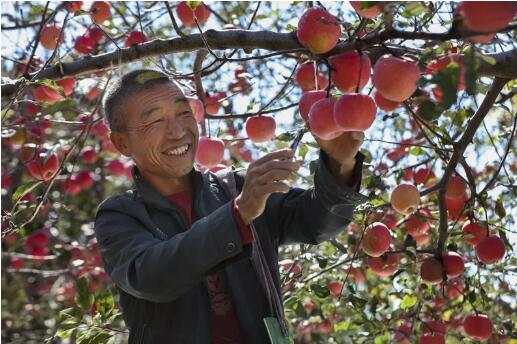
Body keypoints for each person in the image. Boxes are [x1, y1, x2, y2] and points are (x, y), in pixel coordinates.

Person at [94, 69, 367, 344]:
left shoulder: (235, 188)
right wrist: (237, 215)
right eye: (154, 121)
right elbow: (151, 277)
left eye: (184, 113)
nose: (177, 132)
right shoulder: (120, 215)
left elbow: (316, 223)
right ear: (122, 142)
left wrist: (340, 165)